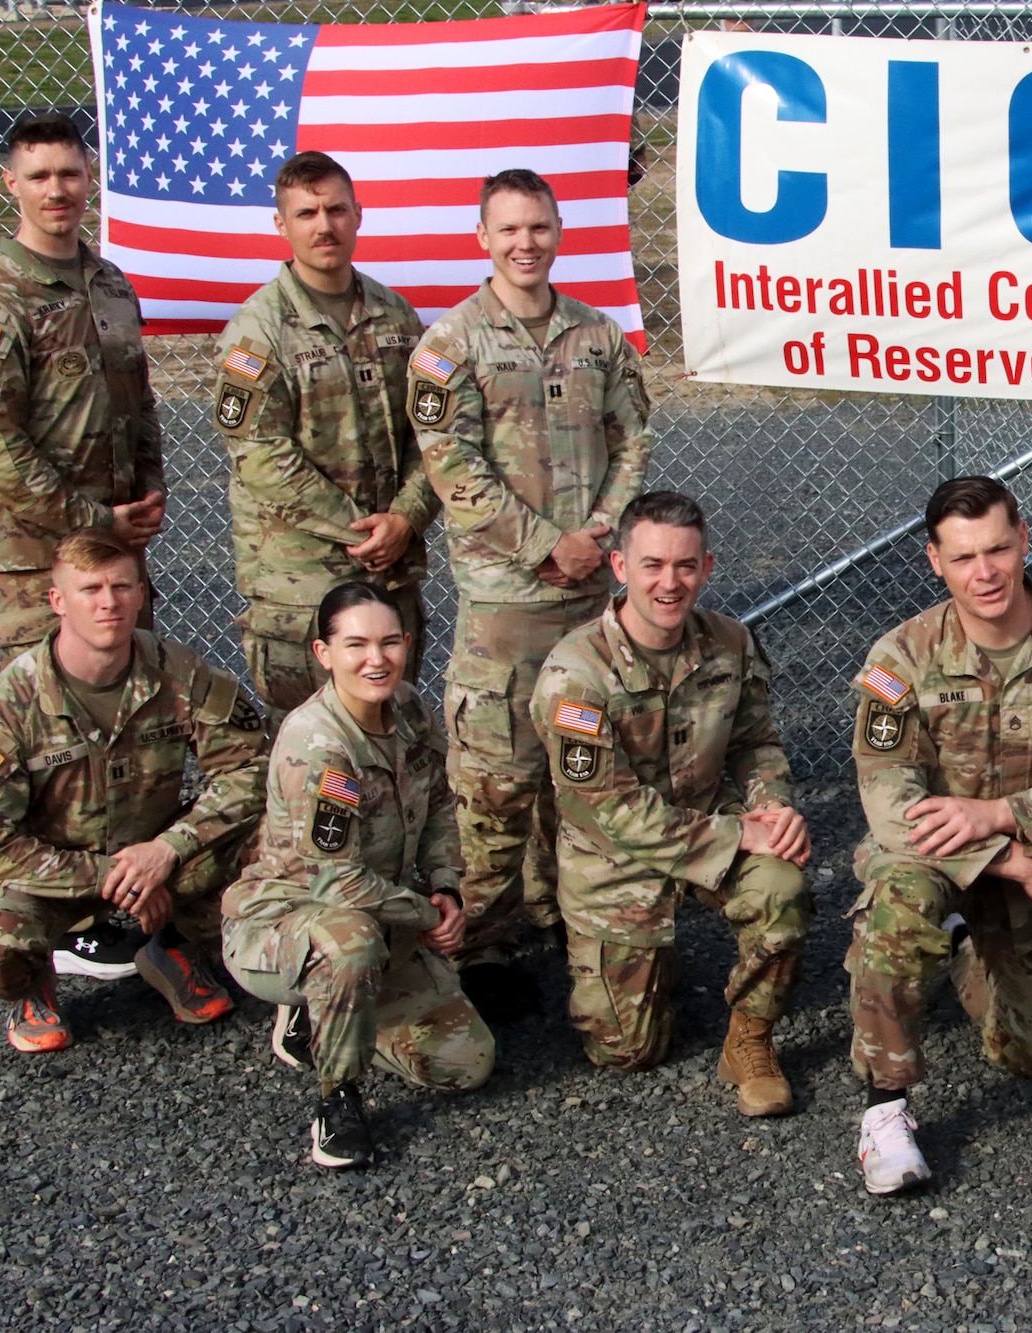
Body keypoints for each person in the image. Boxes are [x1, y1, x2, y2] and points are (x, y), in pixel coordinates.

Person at [845, 477, 1032, 1194]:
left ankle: (964, 953)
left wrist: (1005, 816)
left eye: (998, 549)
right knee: (896, 908)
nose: (984, 572)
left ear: (1025, 541)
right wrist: (1008, 858)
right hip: (934, 861)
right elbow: (890, 801)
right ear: (933, 561)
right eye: (963, 557)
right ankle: (884, 1112)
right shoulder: (902, 657)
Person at [411, 167, 654, 1021]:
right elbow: (455, 470)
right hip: (506, 604)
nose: (526, 243)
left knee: (581, 765)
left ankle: (570, 915)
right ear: (483, 238)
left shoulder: (597, 337)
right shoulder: (450, 347)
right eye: (509, 230)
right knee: (498, 780)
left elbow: (633, 439)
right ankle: (481, 940)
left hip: (590, 598)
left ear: (559, 232)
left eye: (540, 228)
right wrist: (549, 544)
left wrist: (599, 533)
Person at [530, 493, 812, 1115]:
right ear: (620, 567)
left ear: (706, 568)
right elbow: (610, 811)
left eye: (686, 566)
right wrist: (740, 836)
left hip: (713, 822)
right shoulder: (575, 674)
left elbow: (755, 743)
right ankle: (618, 951)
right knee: (626, 1051)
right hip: (616, 858)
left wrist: (773, 809)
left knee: (782, 887)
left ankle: (751, 1042)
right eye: (653, 565)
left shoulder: (730, 643)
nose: (670, 582)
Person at [0, 531, 267, 1053]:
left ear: (142, 594)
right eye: (90, 589)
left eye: (121, 586)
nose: (108, 602)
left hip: (153, 856)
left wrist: (168, 849)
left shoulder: (178, 671)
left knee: (274, 836)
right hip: (48, 876)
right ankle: (33, 983)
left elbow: (253, 768)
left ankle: (171, 945)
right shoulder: (9, 704)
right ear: (57, 601)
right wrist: (117, 875)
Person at [223, 583, 494, 1170]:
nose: (377, 659)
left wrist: (447, 887)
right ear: (323, 653)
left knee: (464, 1064)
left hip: (384, 912)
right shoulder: (317, 746)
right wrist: (426, 916)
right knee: (351, 940)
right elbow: (334, 883)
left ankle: (332, 1010)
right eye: (356, 645)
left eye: (389, 642)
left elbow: (443, 804)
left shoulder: (411, 710)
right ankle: (336, 1097)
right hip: (285, 924)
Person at [211, 151, 437, 727]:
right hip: (302, 584)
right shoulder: (256, 332)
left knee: (390, 736)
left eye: (336, 209)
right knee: (307, 748)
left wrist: (406, 518)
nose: (324, 225)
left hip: (389, 574)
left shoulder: (396, 317)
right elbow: (261, 455)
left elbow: (432, 432)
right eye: (306, 212)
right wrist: (360, 530)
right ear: (281, 225)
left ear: (358, 215)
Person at [0, 112, 166, 664]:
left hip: (116, 548)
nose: (56, 190)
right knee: (49, 729)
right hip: (38, 555)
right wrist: (92, 519)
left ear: (89, 177)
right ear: (11, 183)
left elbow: (138, 400)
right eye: (39, 176)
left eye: (69, 173)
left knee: (129, 706)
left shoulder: (111, 284)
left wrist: (147, 490)